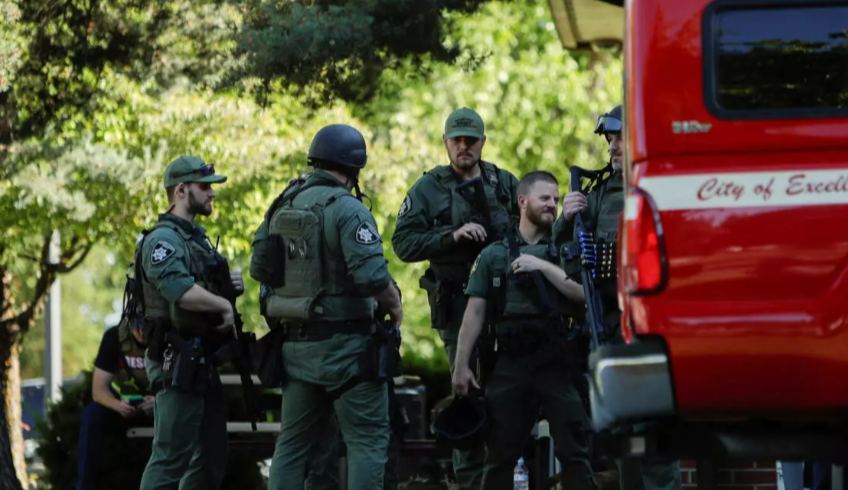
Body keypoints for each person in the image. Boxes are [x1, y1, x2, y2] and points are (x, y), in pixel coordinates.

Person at [250, 124, 403, 490]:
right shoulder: (347, 209)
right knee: (367, 442)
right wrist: (395, 307)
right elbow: (372, 277)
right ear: (354, 168)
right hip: (348, 352)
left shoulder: (281, 204)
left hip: (296, 348)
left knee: (290, 446)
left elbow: (259, 268)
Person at [555, 105, 682, 490]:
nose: (613, 147)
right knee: (626, 433)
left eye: (620, 138)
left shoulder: (662, 185)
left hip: (653, 325)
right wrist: (566, 220)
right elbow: (568, 257)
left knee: (656, 433)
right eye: (610, 140)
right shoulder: (596, 194)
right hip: (609, 324)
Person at [391, 107, 519, 490]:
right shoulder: (429, 187)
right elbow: (403, 243)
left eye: (471, 140)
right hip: (458, 306)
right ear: (446, 142)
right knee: (466, 392)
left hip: (506, 305)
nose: (464, 146)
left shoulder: (503, 182)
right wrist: (451, 236)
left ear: (482, 141)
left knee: (509, 395)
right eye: (456, 140)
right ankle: (469, 481)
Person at [453, 171, 597, 490]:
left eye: (556, 200)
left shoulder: (566, 249)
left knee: (575, 453)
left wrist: (543, 267)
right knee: (499, 455)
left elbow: (583, 294)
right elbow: (474, 312)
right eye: (544, 198)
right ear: (523, 201)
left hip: (557, 362)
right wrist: (460, 366)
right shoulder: (494, 254)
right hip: (510, 364)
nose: (552, 205)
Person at [137, 155, 243, 490]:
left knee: (211, 455)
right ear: (181, 190)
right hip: (176, 361)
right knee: (170, 458)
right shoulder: (162, 240)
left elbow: (199, 287)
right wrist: (222, 304)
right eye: (204, 187)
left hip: (200, 361)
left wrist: (228, 287)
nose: (212, 193)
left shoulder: (193, 238)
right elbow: (178, 290)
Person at [77, 317, 153, 490]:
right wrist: (118, 405)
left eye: (145, 327)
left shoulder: (165, 338)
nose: (141, 333)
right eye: (136, 327)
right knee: (91, 416)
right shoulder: (114, 337)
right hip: (120, 406)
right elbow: (98, 391)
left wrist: (158, 403)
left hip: (159, 408)